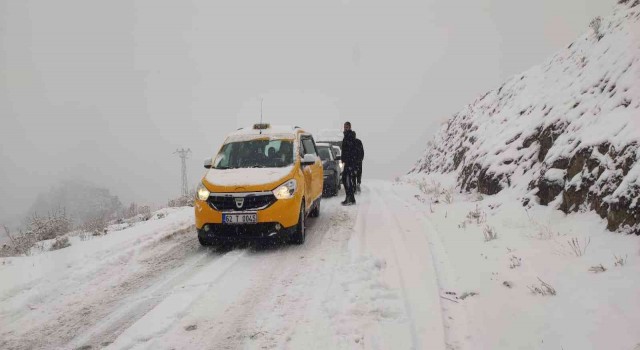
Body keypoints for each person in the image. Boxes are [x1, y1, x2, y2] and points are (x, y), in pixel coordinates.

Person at [341, 122, 358, 205]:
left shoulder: (350, 136)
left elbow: (352, 151)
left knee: (347, 180)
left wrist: (352, 164)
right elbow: (344, 150)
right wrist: (342, 158)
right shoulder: (346, 136)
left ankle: (350, 199)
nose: (345, 128)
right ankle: (350, 198)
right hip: (347, 162)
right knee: (345, 180)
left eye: (347, 127)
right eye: (344, 127)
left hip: (350, 162)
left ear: (350, 127)